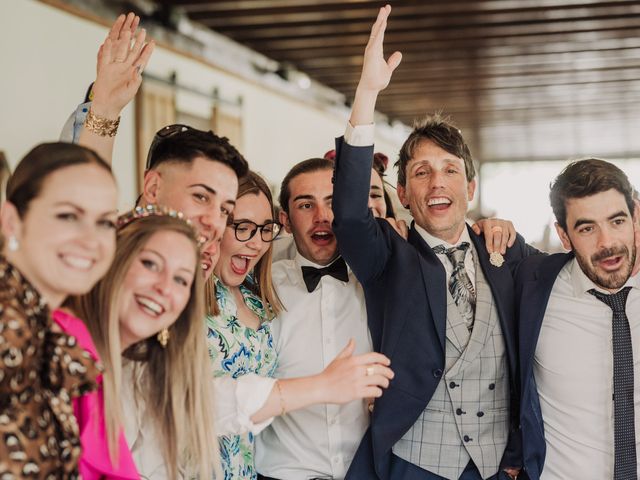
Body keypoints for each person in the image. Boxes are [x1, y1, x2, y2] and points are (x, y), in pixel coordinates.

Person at [332, 6, 539, 479]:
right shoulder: (388, 254)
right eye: (421, 173)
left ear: (472, 186)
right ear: (402, 193)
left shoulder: (508, 252)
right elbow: (347, 214)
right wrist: (367, 93)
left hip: (493, 467)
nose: (437, 183)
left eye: (450, 170)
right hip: (414, 460)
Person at [209, 171, 394, 479]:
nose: (322, 216)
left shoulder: (381, 283)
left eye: (333, 203)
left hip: (365, 471)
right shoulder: (262, 289)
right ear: (285, 220)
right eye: (306, 205)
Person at [69, 205, 217, 479]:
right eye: (150, 264)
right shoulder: (63, 352)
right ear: (114, 260)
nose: (164, 288)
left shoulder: (153, 380)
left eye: (181, 280)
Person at [0, 142, 118, 477]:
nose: (91, 240)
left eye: (106, 222)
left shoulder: (40, 326)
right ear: (12, 220)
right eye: (68, 216)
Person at [516, 159, 639, 480]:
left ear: (635, 217)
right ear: (564, 235)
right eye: (587, 228)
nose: (606, 243)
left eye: (617, 221)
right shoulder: (534, 284)